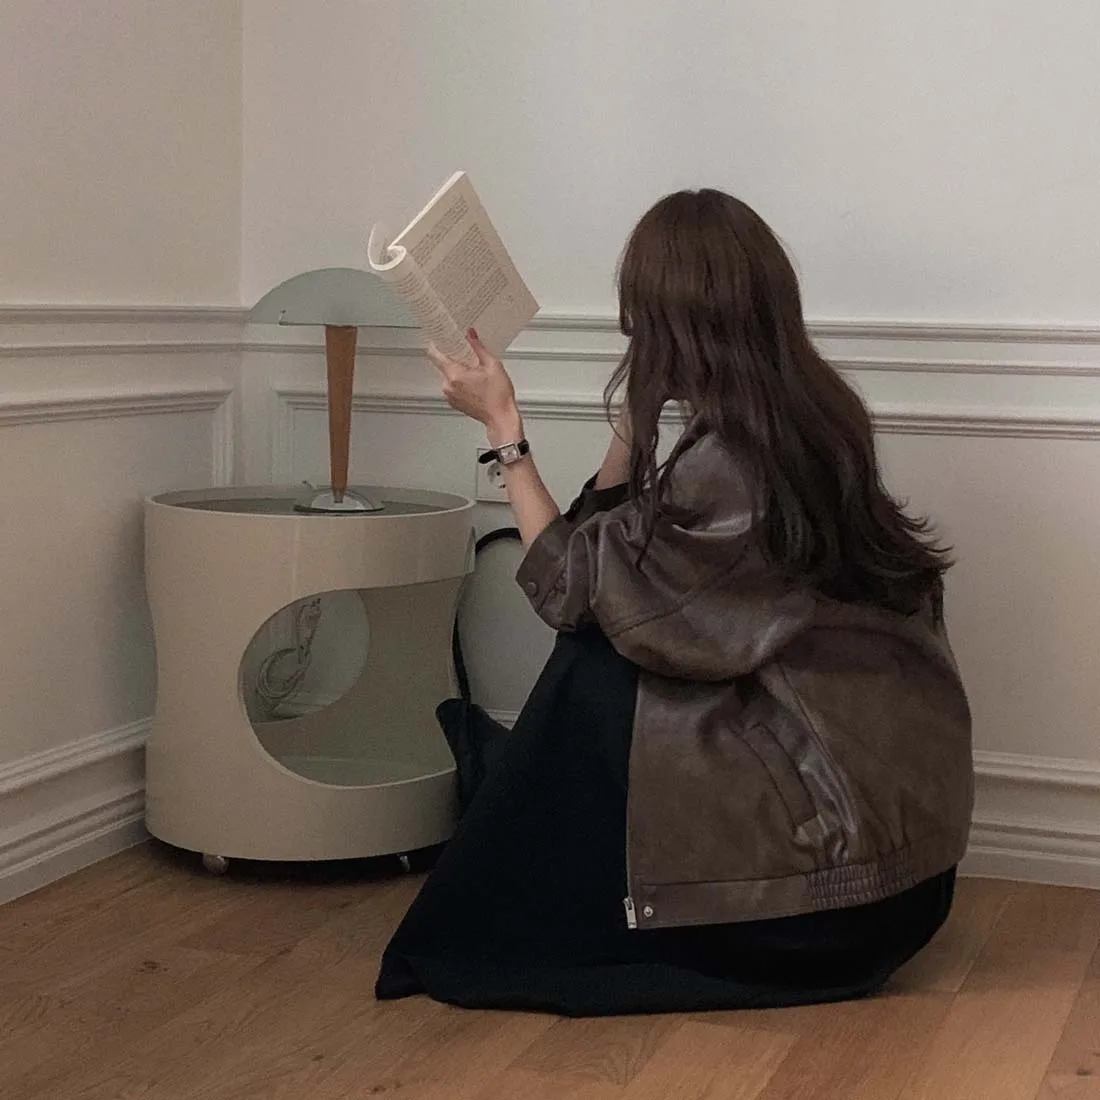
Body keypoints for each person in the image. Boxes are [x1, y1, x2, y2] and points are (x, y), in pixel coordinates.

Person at [375, 189, 973, 1016]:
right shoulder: (813, 413)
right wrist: (640, 410)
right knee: (608, 648)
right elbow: (611, 552)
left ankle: (514, 882)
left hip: (827, 903)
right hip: (899, 880)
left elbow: (570, 588)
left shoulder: (730, 462)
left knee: (595, 665)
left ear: (664, 323)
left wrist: (504, 430)